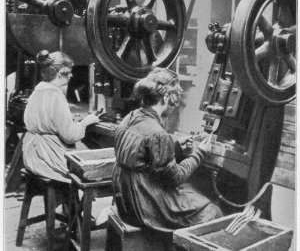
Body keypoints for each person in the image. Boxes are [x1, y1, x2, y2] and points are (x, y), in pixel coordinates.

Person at [113, 67, 222, 231]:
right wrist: (200, 153)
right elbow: (175, 178)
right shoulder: (158, 134)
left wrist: (175, 145)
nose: (173, 106)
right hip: (144, 206)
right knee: (212, 211)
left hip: (125, 202)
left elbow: (143, 153)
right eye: (174, 99)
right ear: (165, 96)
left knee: (191, 192)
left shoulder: (131, 117)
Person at [22, 50, 99, 183]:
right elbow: (70, 137)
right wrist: (86, 122)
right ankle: (78, 203)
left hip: (32, 155)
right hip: (49, 158)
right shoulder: (56, 95)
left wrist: (70, 121)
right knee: (96, 171)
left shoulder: (38, 91)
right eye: (69, 72)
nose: (71, 76)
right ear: (59, 74)